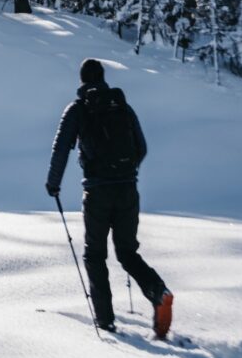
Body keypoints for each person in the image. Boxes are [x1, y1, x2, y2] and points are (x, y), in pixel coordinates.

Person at [45, 58, 173, 338]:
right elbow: (142, 147)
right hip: (128, 189)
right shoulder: (123, 107)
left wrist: (53, 184)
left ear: (82, 81)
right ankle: (159, 293)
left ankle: (105, 321)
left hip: (97, 192)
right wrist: (126, 171)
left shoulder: (78, 109)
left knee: (95, 255)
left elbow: (61, 147)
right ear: (102, 78)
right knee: (127, 252)